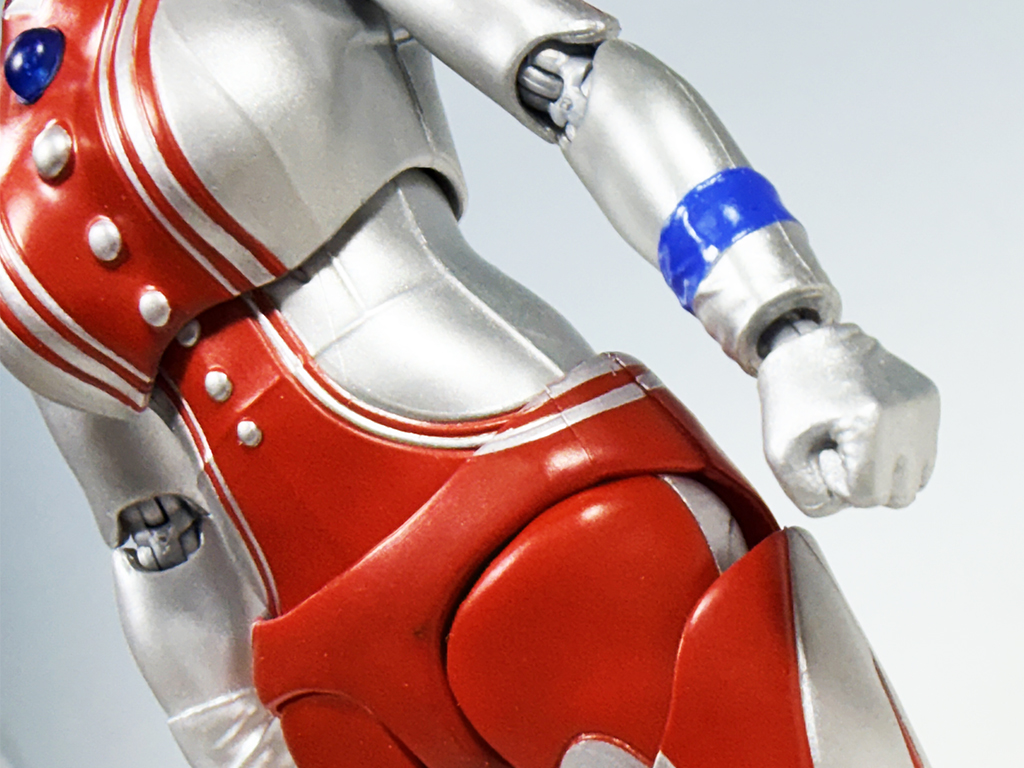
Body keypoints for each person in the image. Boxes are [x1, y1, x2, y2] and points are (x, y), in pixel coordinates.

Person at [0, 0, 939, 766]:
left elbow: (577, 80)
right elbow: (148, 526)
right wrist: (231, 738)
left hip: (531, 494)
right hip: (330, 682)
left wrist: (787, 324)